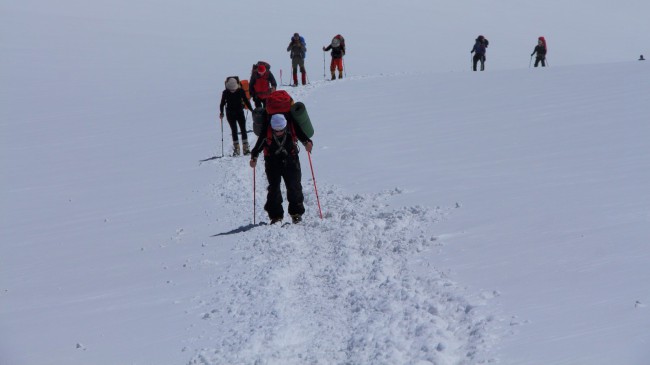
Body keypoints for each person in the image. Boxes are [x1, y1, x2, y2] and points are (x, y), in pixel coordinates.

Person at [249, 113, 313, 224]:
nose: (278, 133)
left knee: (294, 185)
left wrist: (308, 143)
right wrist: (253, 158)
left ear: (285, 126)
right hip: (272, 161)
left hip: (291, 159)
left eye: (281, 130)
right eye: (276, 131)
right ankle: (275, 216)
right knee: (274, 188)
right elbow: (257, 147)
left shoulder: (291, 126)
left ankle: (296, 213)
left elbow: (302, 136)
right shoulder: (267, 130)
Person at [220, 77, 254, 156]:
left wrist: (252, 110)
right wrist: (221, 113)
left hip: (238, 112)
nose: (232, 91)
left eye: (233, 89)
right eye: (231, 89)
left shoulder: (240, 91)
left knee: (243, 129)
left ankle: (244, 148)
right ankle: (238, 149)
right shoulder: (226, 92)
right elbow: (222, 104)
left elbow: (246, 101)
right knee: (234, 130)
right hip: (231, 113)